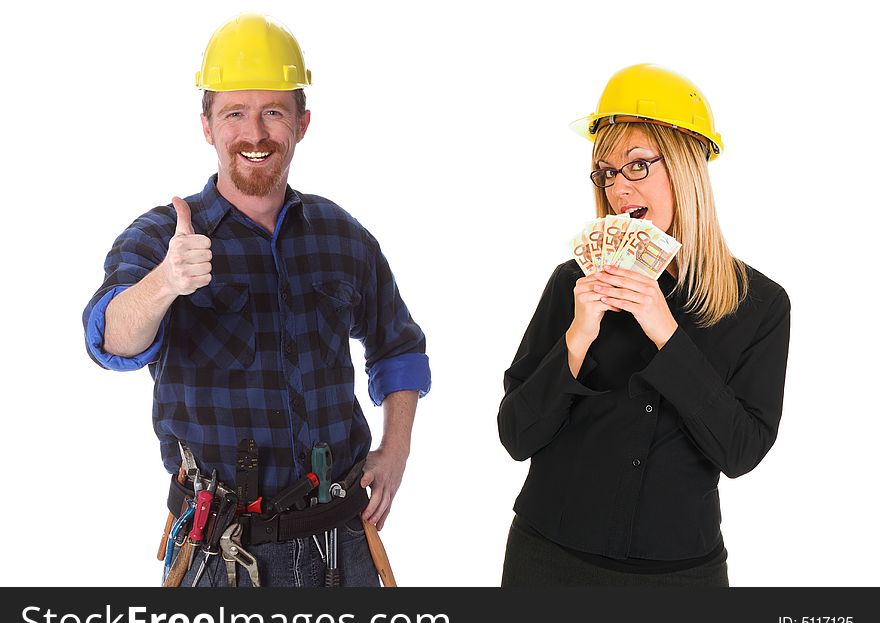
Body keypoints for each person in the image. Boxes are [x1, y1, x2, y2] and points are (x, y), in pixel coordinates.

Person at [82, 13, 430, 587]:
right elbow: (109, 340)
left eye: (274, 111)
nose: (255, 133)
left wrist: (396, 452)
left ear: (302, 123)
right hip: (218, 552)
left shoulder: (340, 236)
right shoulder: (161, 237)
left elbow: (400, 347)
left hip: (340, 541)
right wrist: (167, 282)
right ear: (207, 127)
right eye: (234, 114)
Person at [497, 64, 790, 586]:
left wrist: (667, 335)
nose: (617, 187)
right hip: (549, 561)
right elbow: (516, 435)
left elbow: (741, 452)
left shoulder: (760, 305)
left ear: (685, 168)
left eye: (637, 165)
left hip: (679, 576)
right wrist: (575, 340)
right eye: (606, 171)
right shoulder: (575, 281)